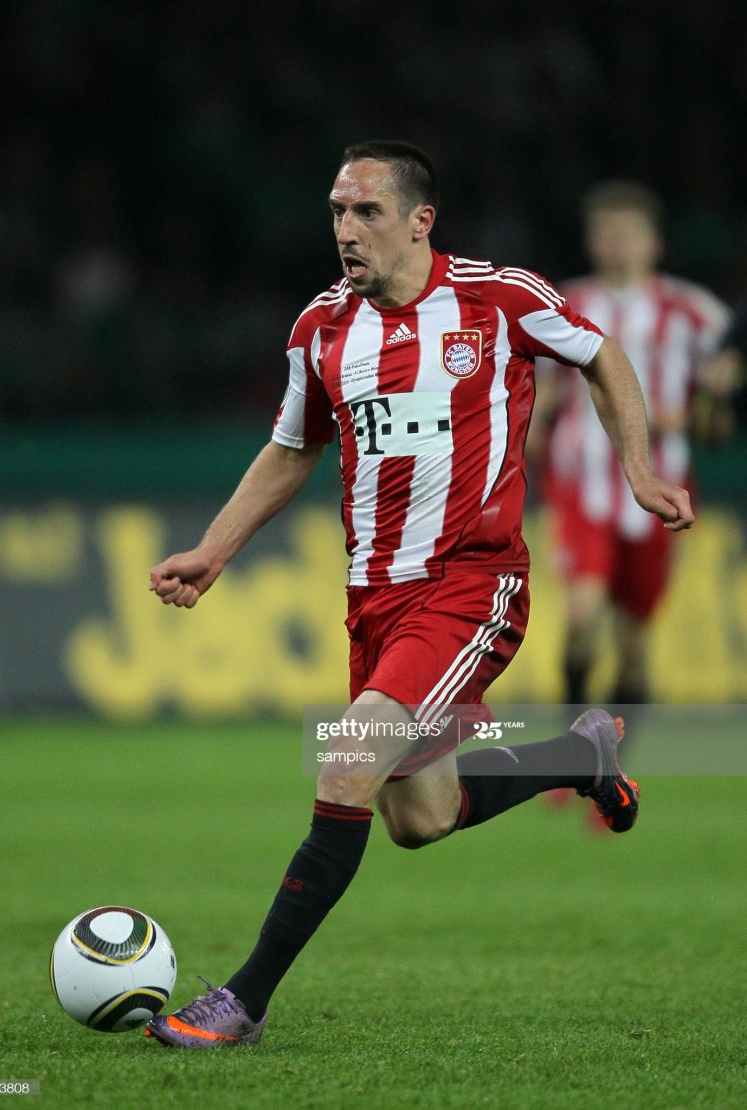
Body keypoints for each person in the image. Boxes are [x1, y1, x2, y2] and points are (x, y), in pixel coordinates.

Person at [145, 142, 693, 1049]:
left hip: (472, 585)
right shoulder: (321, 327)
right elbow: (293, 447)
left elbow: (603, 356)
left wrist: (637, 467)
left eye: (366, 212)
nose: (346, 230)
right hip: (374, 600)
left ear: (419, 222)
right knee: (419, 817)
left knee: (347, 757)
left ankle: (242, 1000)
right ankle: (580, 754)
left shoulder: (499, 298)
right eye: (337, 211)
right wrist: (214, 549)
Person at [529, 181, 730, 708]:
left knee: (634, 646)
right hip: (582, 485)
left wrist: (692, 416)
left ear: (653, 242)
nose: (618, 245)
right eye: (607, 233)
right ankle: (574, 740)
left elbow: (719, 411)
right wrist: (531, 430)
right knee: (581, 617)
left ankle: (611, 752)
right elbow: (541, 395)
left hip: (663, 491)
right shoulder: (563, 306)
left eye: (629, 234)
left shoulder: (694, 312)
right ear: (591, 241)